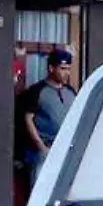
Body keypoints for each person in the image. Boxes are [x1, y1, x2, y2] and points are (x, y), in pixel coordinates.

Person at [21, 48, 77, 184]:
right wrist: (41, 146)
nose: (66, 73)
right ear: (51, 68)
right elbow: (28, 119)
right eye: (62, 69)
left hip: (65, 149)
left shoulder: (70, 92)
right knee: (40, 187)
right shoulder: (37, 91)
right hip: (44, 149)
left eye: (68, 69)